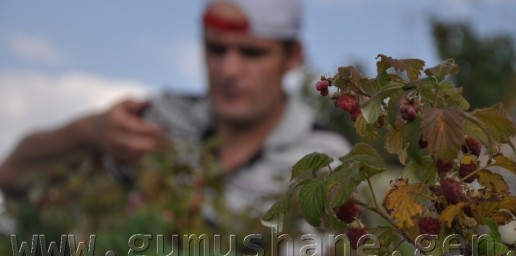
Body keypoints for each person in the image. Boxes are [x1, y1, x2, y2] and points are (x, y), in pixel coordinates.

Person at [0, 0, 351, 214]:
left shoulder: (323, 156)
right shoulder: (159, 119)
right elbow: (13, 175)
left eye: (250, 53)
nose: (228, 70)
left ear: (293, 57)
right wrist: (91, 133)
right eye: (216, 49)